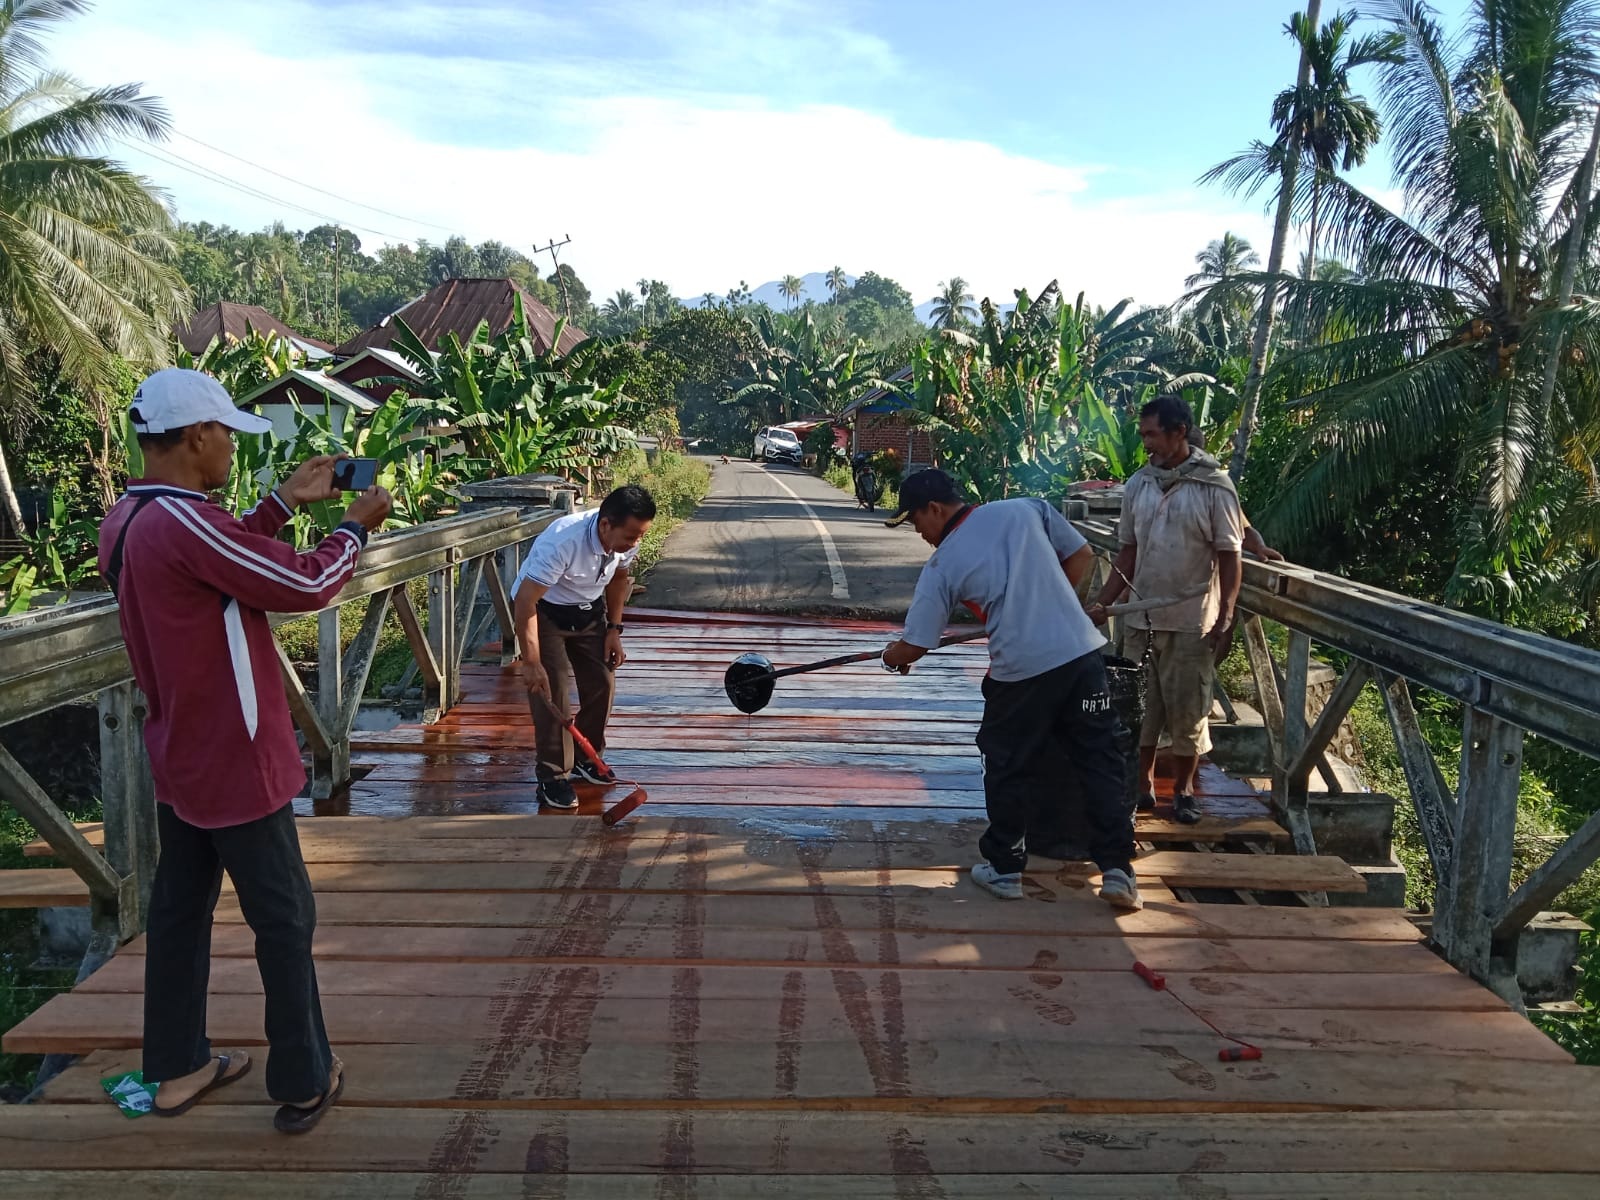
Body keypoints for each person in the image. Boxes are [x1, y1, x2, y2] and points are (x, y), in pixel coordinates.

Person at [98, 368, 391, 1131]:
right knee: (285, 918)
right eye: (226, 432)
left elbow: (219, 563)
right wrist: (355, 525)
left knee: (180, 914)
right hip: (235, 754)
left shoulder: (129, 516)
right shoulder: (187, 522)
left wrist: (283, 503)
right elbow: (305, 582)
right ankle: (302, 1076)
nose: (231, 444)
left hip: (181, 750)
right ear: (196, 439)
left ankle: (177, 1067)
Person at [880, 469, 1141, 910]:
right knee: (1099, 760)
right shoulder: (1025, 509)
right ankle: (1118, 870)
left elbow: (916, 644)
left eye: (916, 521)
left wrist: (890, 656)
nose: (919, 533)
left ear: (935, 509)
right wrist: (1048, 604)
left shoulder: (943, 564)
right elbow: (1083, 556)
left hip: (1021, 672)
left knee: (1006, 763)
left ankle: (1004, 868)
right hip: (1081, 656)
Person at [1088, 395, 1244, 825]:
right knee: (1140, 709)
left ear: (1179, 432)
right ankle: (1141, 786)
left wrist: (1226, 615)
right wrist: (1104, 603)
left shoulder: (1214, 486)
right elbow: (1127, 553)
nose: (1146, 444)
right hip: (1140, 618)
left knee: (1188, 710)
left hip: (1193, 619)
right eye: (1143, 435)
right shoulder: (1139, 484)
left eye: (1152, 434)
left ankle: (1185, 790)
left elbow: (1231, 556)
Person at [512, 484, 655, 808]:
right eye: (632, 536)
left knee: (602, 682)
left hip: (588, 610)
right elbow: (525, 601)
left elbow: (619, 580)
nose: (636, 543)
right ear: (606, 524)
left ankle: (585, 758)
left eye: (640, 535)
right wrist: (531, 661)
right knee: (554, 692)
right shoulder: (563, 541)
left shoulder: (624, 542)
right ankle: (552, 777)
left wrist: (614, 630)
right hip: (544, 611)